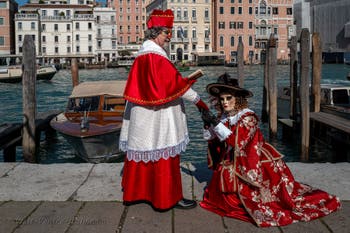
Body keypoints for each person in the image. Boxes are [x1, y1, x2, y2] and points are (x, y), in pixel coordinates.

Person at [199, 73, 341, 227]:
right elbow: (218, 140)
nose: (225, 102)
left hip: (252, 159)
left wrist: (216, 124)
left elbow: (238, 142)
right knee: (221, 181)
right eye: (222, 99)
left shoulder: (248, 117)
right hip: (233, 157)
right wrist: (209, 125)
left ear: (237, 98)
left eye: (228, 98)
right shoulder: (225, 117)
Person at [119, 9, 209, 211]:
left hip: (141, 115)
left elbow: (164, 83)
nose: (169, 37)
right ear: (156, 33)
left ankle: (136, 193)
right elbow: (173, 86)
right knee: (163, 150)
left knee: (143, 148)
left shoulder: (143, 54)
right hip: (159, 116)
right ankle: (167, 198)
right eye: (167, 33)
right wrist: (199, 101)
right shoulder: (156, 57)